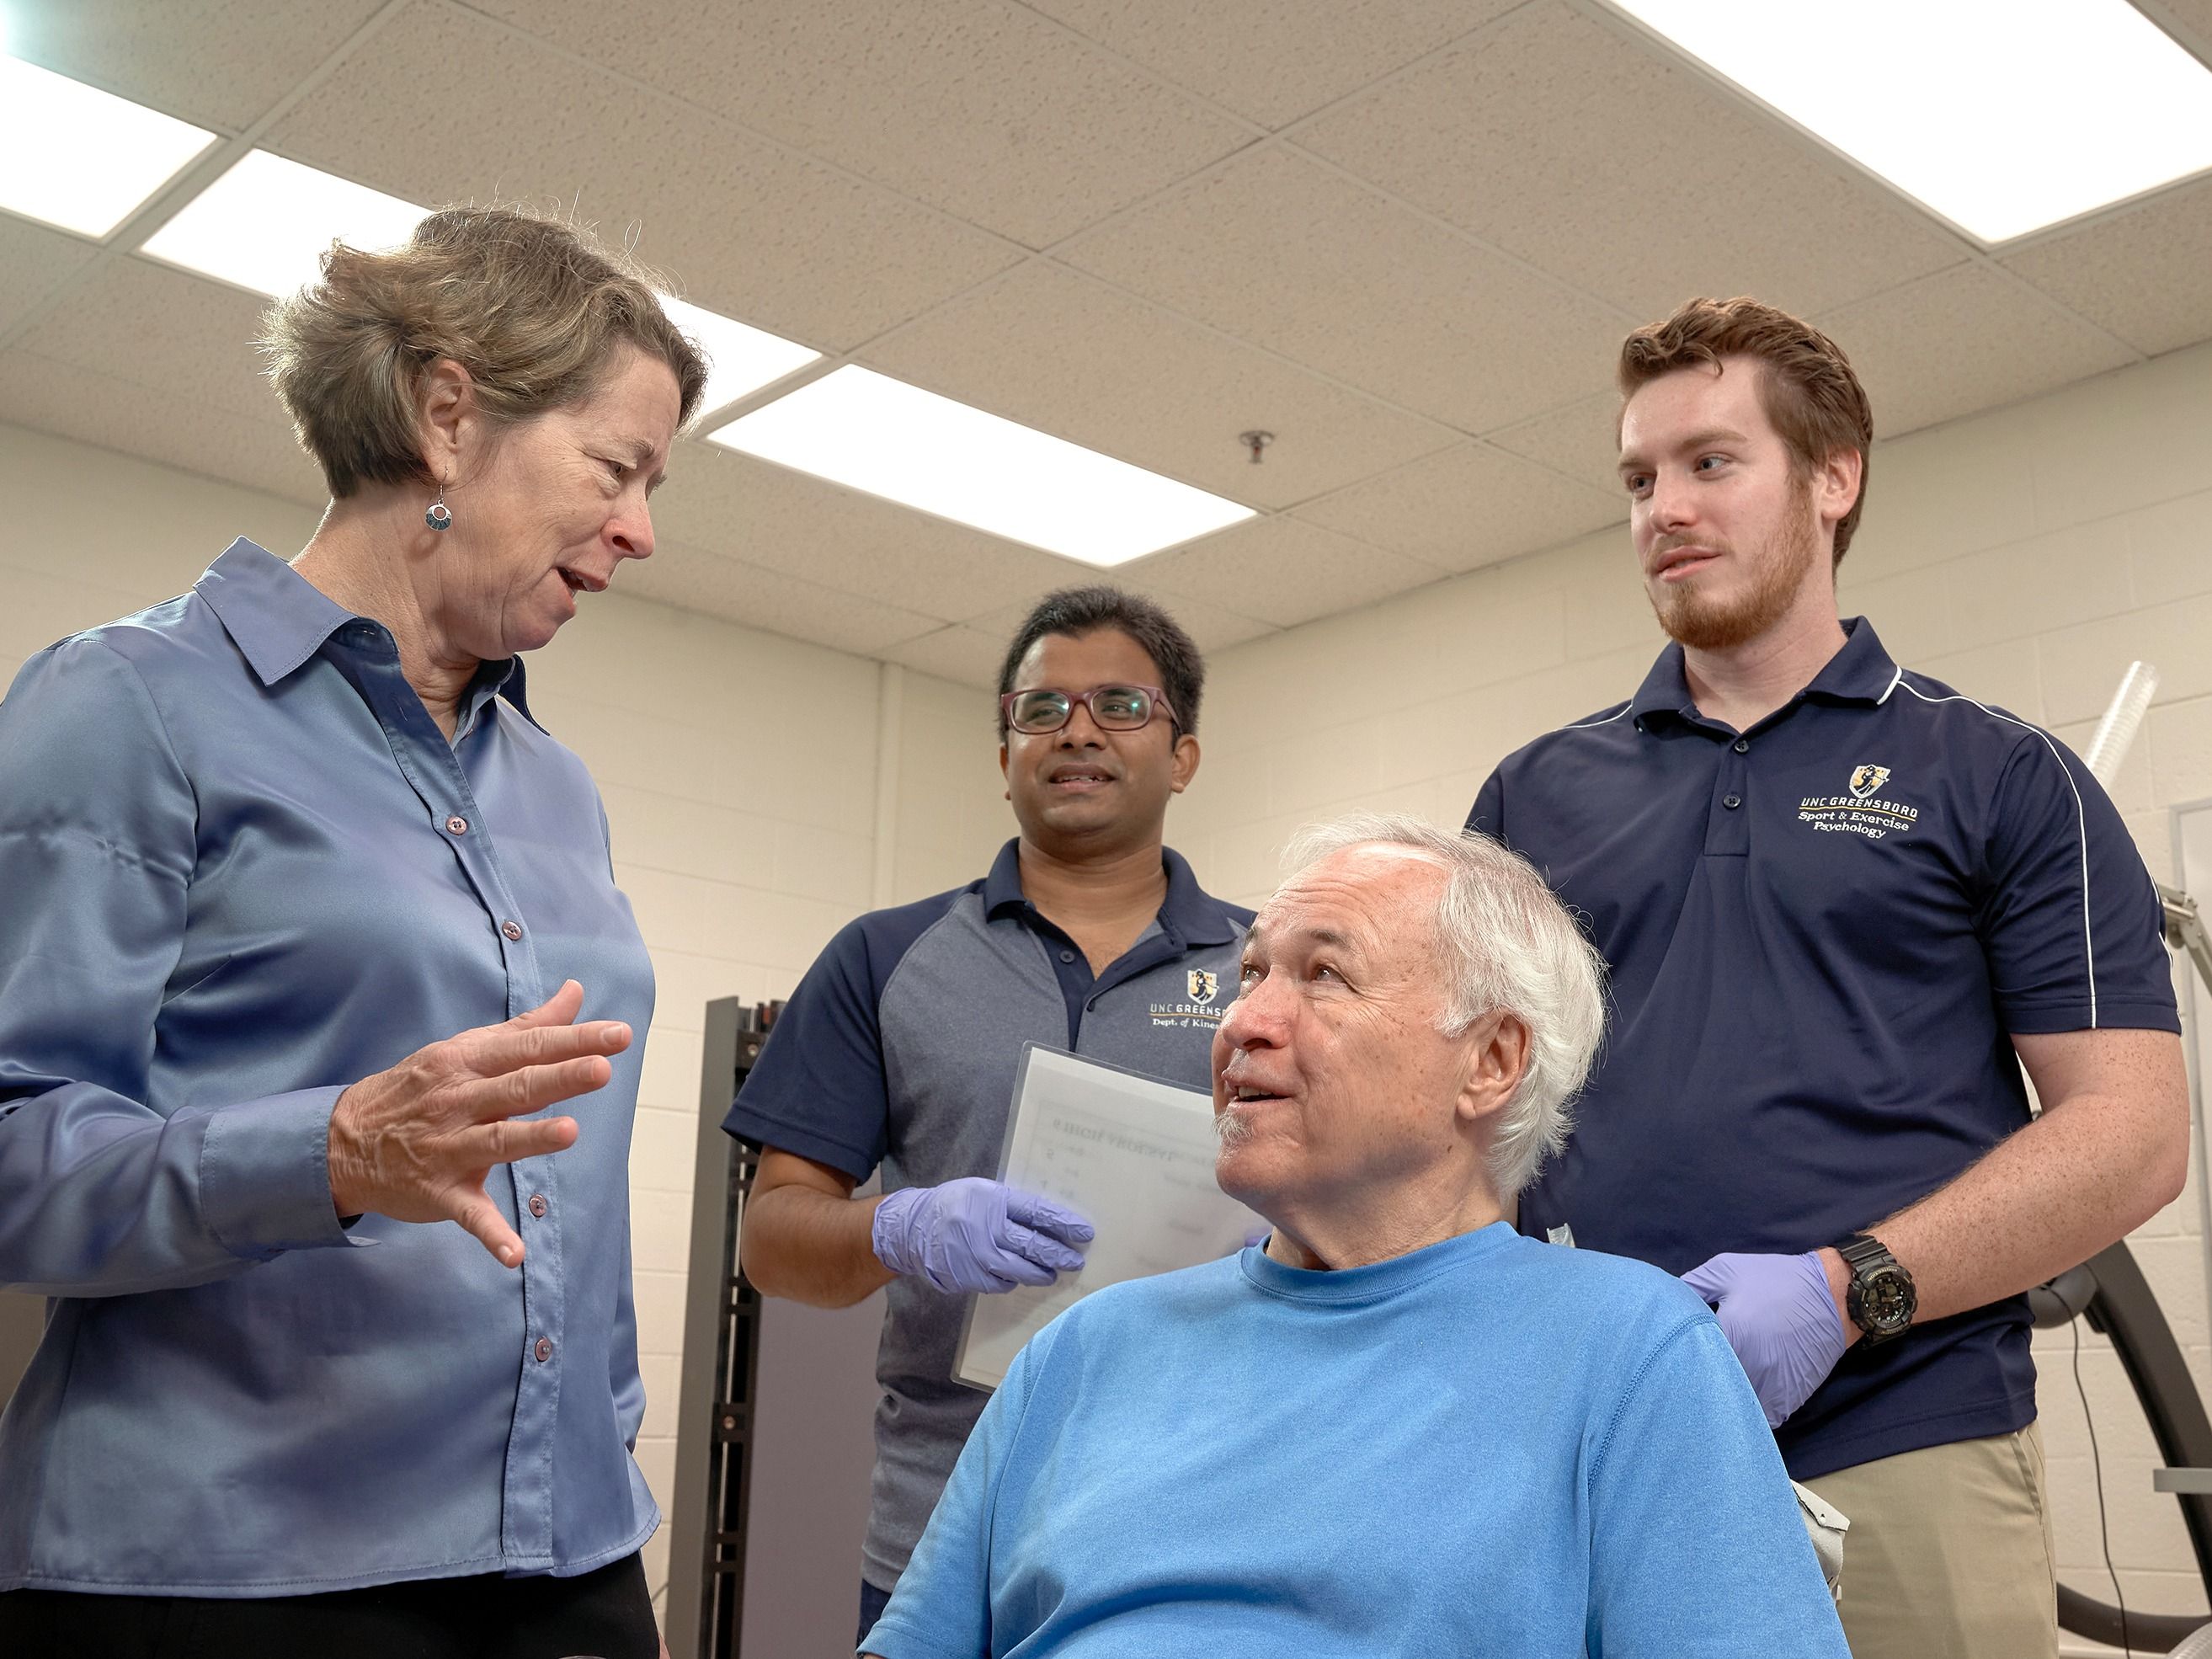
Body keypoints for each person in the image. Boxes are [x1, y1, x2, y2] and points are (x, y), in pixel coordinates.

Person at [0, 207, 706, 1658]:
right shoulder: (128, 705)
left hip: (566, 1556)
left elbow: (569, 1173)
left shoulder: (550, 781)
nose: (642, 528)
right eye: (617, 467)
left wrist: (611, 1437)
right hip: (239, 1567)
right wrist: (328, 1153)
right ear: (449, 417)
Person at [1467, 296, 2188, 1658]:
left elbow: (2134, 1134)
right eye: (1636, 478)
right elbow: (1460, 1110)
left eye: (1709, 463)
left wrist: (1848, 1287)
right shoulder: (1532, 794)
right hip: (1594, 1431)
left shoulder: (1997, 775)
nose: (1662, 509)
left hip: (1907, 1442)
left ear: (1832, 476)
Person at [861, 813, 1850, 1657]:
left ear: (1490, 1061)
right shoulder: (1080, 1348)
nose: (1242, 1021)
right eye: (1249, 974)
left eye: (1322, 974)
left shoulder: (1632, 1352)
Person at [722, 588, 1250, 1643]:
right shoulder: (884, 956)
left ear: (1183, 755)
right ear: (1003, 747)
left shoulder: (1270, 964)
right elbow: (772, 1242)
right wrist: (897, 1225)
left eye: (1120, 704)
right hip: (942, 1528)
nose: (1078, 731)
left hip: (1199, 1516)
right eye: (1041, 708)